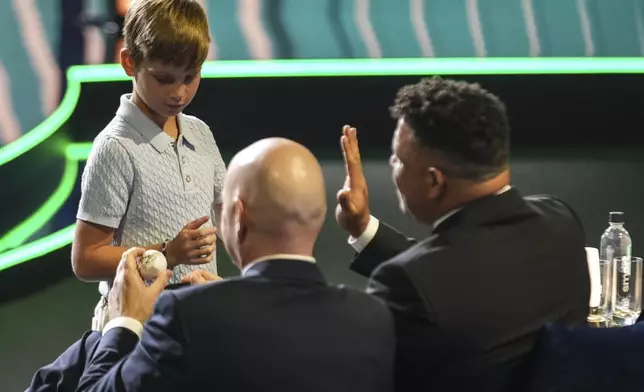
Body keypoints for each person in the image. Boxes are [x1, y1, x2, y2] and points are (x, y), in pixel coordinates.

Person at [76, 138, 395, 392]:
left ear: (238, 218)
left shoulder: (184, 315)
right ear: (319, 216)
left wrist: (124, 323)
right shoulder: (373, 319)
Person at [335, 77, 590, 392]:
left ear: (434, 182)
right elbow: (455, 279)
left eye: (398, 159)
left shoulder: (409, 283)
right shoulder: (561, 221)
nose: (392, 165)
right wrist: (363, 228)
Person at [71, 0, 226, 330]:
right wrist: (167, 253)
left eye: (191, 76)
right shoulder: (115, 148)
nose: (179, 93)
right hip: (136, 326)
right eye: (164, 78)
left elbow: (228, 219)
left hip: (200, 317)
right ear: (129, 62)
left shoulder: (200, 132)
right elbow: (85, 259)